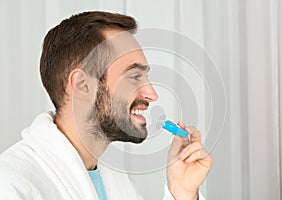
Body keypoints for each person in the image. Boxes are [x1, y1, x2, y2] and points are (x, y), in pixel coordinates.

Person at [0, 11, 212, 200]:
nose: (152, 94)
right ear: (83, 85)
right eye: (134, 76)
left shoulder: (114, 181)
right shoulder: (10, 183)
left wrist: (181, 192)